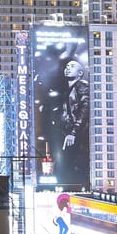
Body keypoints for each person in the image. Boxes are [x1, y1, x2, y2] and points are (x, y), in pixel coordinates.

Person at [37, 56, 90, 185]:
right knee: (64, 164)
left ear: (80, 73)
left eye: (71, 67)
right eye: (66, 66)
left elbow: (84, 110)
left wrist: (73, 132)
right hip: (65, 134)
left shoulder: (82, 85)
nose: (67, 68)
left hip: (75, 135)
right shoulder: (67, 89)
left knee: (70, 164)